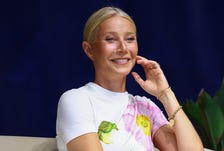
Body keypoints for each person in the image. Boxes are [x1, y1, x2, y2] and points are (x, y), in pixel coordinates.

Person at [56, 6, 203, 151]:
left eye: (130, 39)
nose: (123, 48)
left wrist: (165, 94)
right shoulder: (77, 100)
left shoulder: (145, 107)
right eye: (111, 39)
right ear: (89, 50)